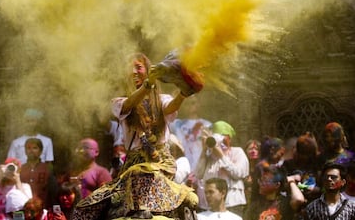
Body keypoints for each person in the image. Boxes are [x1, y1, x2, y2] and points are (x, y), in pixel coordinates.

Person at [72, 52, 198, 220]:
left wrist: (183, 93)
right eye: (129, 69)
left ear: (147, 70)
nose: (133, 72)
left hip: (160, 162)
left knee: (141, 173)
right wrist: (147, 85)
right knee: (86, 209)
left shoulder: (162, 99)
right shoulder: (119, 102)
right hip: (130, 165)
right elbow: (129, 104)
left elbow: (170, 108)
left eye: (138, 67)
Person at [195, 120, 249, 217]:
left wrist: (221, 155)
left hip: (232, 204)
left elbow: (238, 173)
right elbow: (198, 174)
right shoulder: (209, 156)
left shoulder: (237, 152)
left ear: (229, 138)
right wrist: (204, 150)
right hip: (209, 207)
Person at [20, 138, 56, 207]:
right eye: (28, 148)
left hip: (42, 209)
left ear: (41, 151)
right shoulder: (20, 169)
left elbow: (53, 192)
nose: (31, 151)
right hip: (23, 208)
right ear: (25, 151)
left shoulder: (47, 169)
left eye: (35, 148)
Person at [244, 139, 260, 207]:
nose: (253, 151)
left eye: (256, 149)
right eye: (250, 149)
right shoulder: (242, 167)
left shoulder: (262, 168)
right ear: (246, 151)